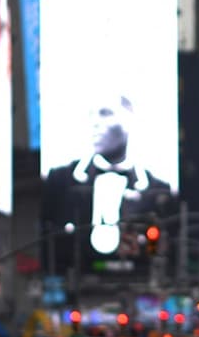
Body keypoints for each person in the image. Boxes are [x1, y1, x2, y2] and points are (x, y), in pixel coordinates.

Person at [41, 94, 173, 254]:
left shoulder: (156, 189)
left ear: (129, 119)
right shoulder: (61, 180)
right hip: (74, 268)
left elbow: (158, 250)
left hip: (136, 268)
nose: (95, 123)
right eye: (91, 115)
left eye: (105, 113)